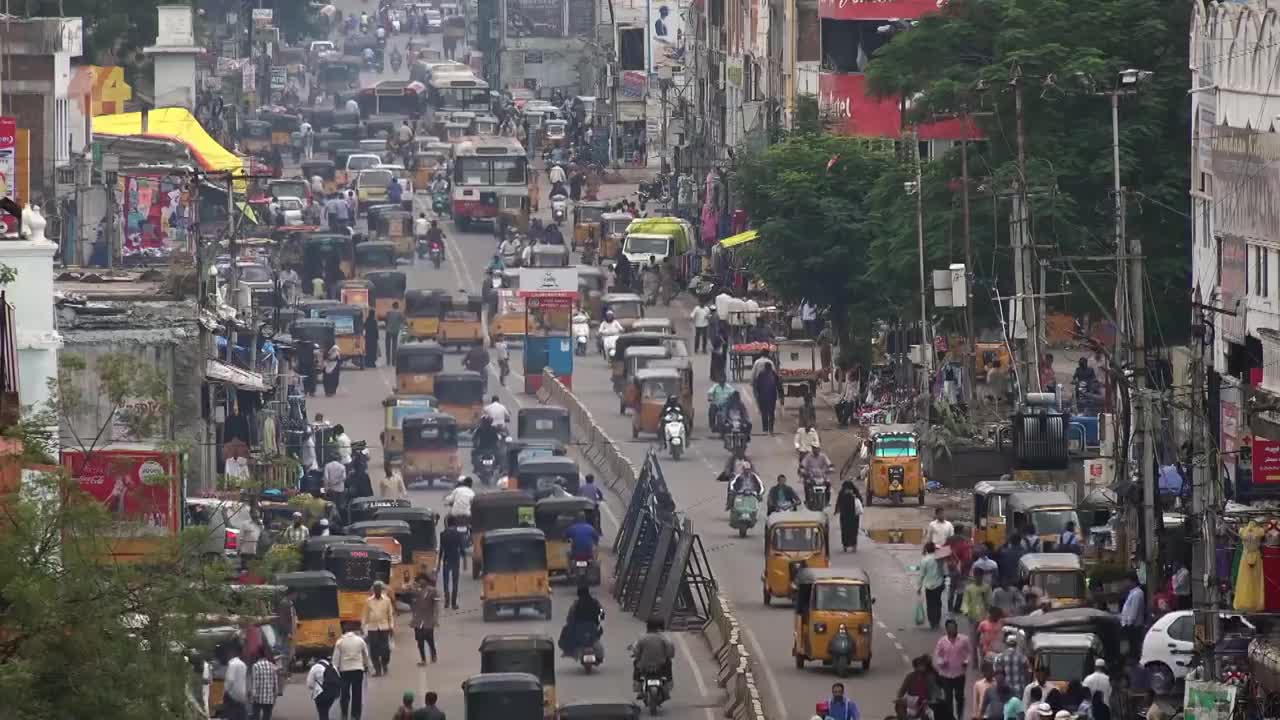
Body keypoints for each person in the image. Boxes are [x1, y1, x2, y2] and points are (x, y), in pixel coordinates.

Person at [333, 621, 372, 720]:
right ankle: (356, 714)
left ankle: (345, 713)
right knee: (357, 693)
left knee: (345, 693)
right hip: (358, 670)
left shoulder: (340, 642)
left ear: (344, 631)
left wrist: (335, 670)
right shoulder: (360, 641)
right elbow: (365, 656)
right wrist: (367, 666)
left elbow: (335, 659)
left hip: (344, 671)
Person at [935, 619, 971, 720]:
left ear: (956, 628)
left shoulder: (964, 639)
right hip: (945, 675)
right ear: (946, 629)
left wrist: (966, 661)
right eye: (950, 628)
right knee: (948, 698)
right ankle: (950, 717)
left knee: (959, 697)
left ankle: (960, 715)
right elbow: (937, 655)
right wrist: (941, 662)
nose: (952, 629)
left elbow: (969, 653)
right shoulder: (942, 641)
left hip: (959, 674)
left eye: (954, 627)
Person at [632, 619, 675, 695]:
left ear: (647, 628)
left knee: (635, 663)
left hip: (644, 665)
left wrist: (638, 657)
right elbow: (670, 651)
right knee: (669, 663)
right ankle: (669, 684)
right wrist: (668, 656)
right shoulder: (664, 638)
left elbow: (636, 651)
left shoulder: (642, 638)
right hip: (661, 665)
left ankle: (637, 685)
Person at [560, 585, 604, 657]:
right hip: (593, 628)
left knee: (566, 632)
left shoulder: (576, 604)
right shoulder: (595, 602)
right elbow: (602, 613)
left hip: (579, 629)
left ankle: (567, 651)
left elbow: (570, 616)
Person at [411, 574, 441, 665]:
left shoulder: (433, 591)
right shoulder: (416, 592)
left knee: (429, 639)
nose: (420, 582)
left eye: (422, 580)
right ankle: (423, 659)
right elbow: (413, 605)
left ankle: (433, 653)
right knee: (419, 641)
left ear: (426, 581)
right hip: (418, 620)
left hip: (428, 619)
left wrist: (435, 619)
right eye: (419, 580)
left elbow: (436, 606)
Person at [439, 515, 466, 608]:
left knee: (446, 582)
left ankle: (447, 602)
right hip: (455, 560)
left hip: (446, 560)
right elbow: (462, 549)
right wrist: (465, 561)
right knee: (455, 582)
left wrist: (439, 563)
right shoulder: (459, 534)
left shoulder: (442, 534)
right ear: (455, 523)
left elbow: (441, 550)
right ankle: (453, 603)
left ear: (447, 523)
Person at [993, 636, 1030, 703]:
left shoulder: (1000, 657)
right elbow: (1027, 674)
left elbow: (996, 674)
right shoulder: (1022, 657)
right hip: (1019, 690)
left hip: (1004, 690)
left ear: (1006, 644)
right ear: (1016, 644)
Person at [919, 542, 946, 630]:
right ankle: (937, 621)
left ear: (926, 549)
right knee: (938, 602)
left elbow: (922, 575)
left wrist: (919, 587)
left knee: (930, 604)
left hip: (929, 585)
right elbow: (945, 571)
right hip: (939, 584)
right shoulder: (940, 558)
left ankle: (932, 622)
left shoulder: (924, 560)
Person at [1119, 572, 1146, 660]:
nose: (1125, 583)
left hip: (1133, 626)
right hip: (1129, 625)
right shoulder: (1132, 592)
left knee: (1133, 648)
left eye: (1127, 581)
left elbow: (1134, 611)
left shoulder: (1137, 593)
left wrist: (1129, 624)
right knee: (1131, 648)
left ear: (1133, 581)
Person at [248, 653, 279, 720]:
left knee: (256, 716)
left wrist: (252, 696)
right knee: (267, 716)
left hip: (258, 697)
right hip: (269, 697)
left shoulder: (256, 666)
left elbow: (254, 682)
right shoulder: (273, 666)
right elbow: (275, 683)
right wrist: (275, 695)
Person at [835, 481, 863, 552]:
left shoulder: (842, 492)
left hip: (845, 516)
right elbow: (861, 500)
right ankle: (853, 545)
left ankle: (846, 545)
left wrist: (836, 510)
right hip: (853, 516)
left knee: (845, 530)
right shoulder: (854, 492)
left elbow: (838, 502)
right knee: (853, 530)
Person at [753, 361, 780, 434]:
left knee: (764, 413)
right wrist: (780, 395)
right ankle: (771, 429)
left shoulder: (761, 374)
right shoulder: (774, 374)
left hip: (763, 396)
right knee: (771, 413)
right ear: (770, 367)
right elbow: (778, 385)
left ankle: (765, 429)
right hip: (772, 396)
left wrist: (758, 395)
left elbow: (757, 385)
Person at [223, 643, 249, 720]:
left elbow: (230, 680)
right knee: (241, 715)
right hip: (242, 694)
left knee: (231, 715)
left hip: (232, 695)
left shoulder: (232, 664)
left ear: (232, 653)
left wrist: (225, 691)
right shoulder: (243, 664)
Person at [385, 302, 405, 366]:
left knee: (387, 346)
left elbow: (386, 320)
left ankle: (388, 361)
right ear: (397, 306)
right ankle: (393, 362)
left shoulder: (388, 312)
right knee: (394, 347)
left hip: (388, 331)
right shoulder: (399, 313)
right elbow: (403, 321)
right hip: (395, 331)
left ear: (392, 306)